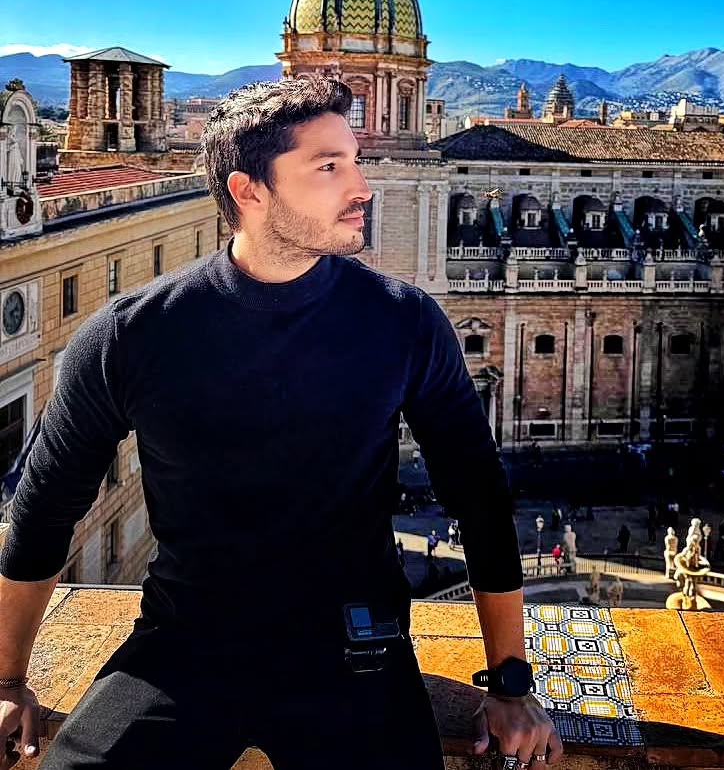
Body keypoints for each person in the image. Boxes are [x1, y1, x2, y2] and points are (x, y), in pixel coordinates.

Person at [0, 77, 562, 770]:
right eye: (329, 167)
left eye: (354, 161)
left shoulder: (407, 321)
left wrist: (510, 683)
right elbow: (44, 510)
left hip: (359, 653)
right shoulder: (127, 336)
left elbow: (480, 499)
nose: (362, 187)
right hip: (182, 651)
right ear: (249, 191)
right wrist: (5, 681)